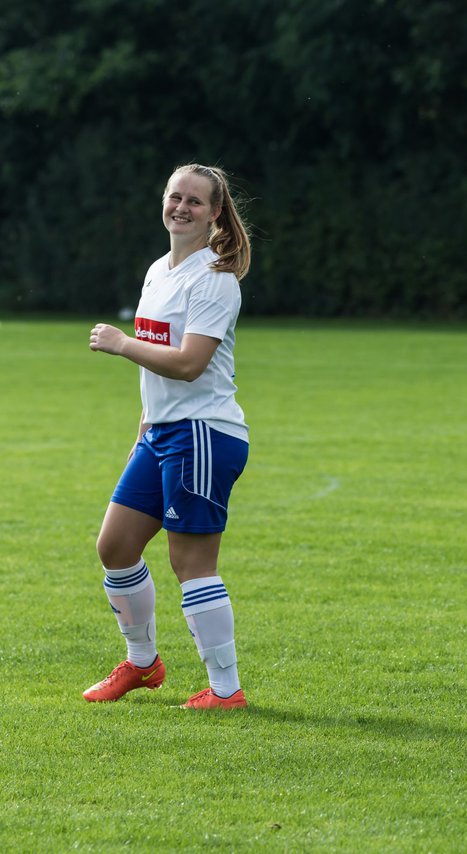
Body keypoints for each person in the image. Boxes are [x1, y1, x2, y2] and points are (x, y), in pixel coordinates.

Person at [83, 163, 252, 711]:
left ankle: (226, 692)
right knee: (115, 546)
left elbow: (188, 365)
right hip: (161, 434)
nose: (181, 207)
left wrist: (121, 342)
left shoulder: (216, 279)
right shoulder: (160, 269)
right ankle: (142, 663)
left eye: (195, 201)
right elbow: (159, 372)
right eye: (174, 196)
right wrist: (143, 427)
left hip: (204, 434)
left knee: (192, 565)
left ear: (215, 214)